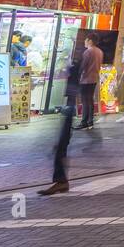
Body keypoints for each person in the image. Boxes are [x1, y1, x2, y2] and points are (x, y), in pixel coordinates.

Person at [38, 55, 81, 196]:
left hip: (69, 110)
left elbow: (72, 88)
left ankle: (61, 181)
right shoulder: (77, 65)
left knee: (61, 146)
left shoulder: (76, 66)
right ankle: (62, 181)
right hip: (69, 109)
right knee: (61, 146)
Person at [75, 34, 103, 129]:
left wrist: (77, 76)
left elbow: (83, 66)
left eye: (86, 40)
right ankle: (90, 122)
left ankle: (84, 122)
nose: (84, 42)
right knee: (90, 100)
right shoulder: (100, 51)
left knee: (85, 101)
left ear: (90, 41)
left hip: (85, 80)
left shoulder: (88, 52)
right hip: (94, 79)